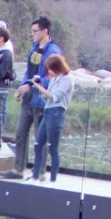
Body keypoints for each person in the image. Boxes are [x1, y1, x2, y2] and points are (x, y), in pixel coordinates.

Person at [0, 16, 63, 180]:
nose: (33, 34)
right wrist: (23, 88)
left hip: (42, 101)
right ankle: (18, 169)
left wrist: (33, 84)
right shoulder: (34, 48)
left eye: (35, 31)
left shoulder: (53, 52)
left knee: (40, 137)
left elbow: (53, 76)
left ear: (45, 31)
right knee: (21, 132)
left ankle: (40, 171)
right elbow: (29, 71)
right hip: (29, 98)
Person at [29, 54, 74, 183]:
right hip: (47, 112)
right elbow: (46, 97)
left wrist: (38, 87)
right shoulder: (54, 78)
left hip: (56, 113)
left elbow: (55, 97)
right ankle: (35, 176)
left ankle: (53, 180)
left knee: (53, 148)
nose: (49, 72)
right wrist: (40, 85)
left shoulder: (66, 79)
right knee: (38, 145)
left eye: (51, 68)